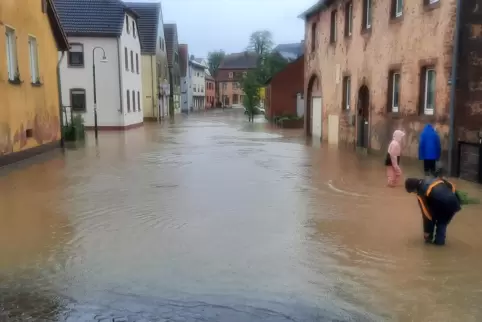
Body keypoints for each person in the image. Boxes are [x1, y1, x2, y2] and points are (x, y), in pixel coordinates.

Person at [405, 177, 461, 246]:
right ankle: (439, 246)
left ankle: (434, 245)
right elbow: (450, 185)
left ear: (414, 189)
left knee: (438, 221)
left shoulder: (421, 193)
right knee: (442, 223)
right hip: (455, 202)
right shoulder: (433, 180)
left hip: (444, 204)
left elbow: (426, 214)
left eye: (412, 192)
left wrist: (426, 231)